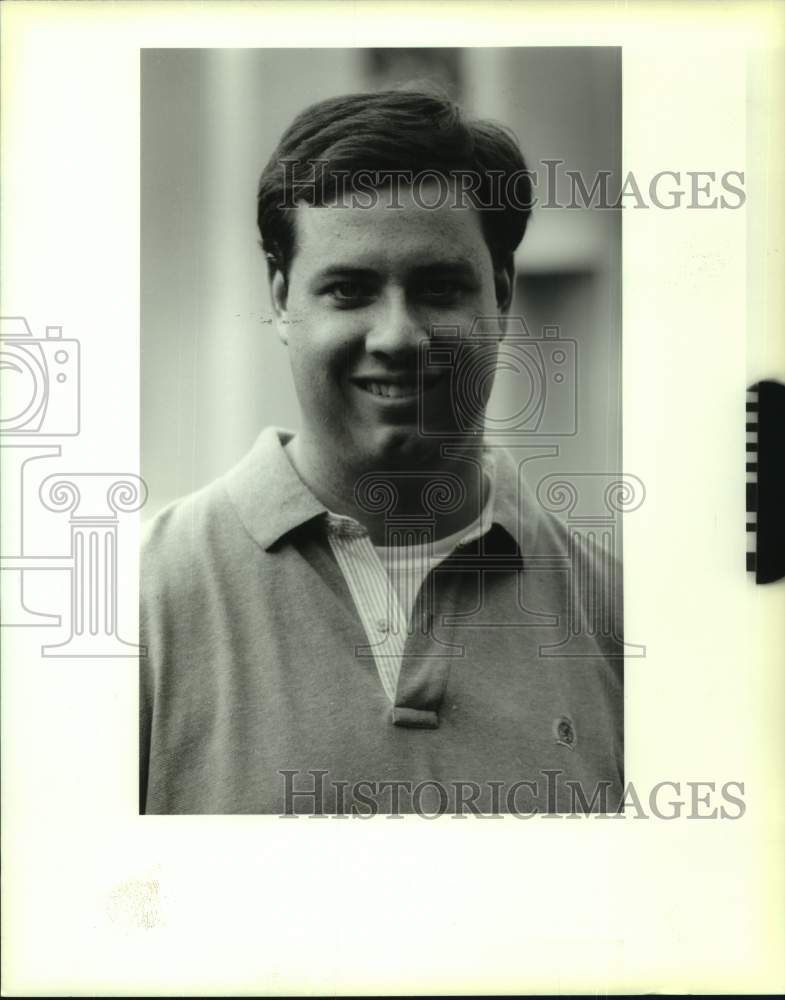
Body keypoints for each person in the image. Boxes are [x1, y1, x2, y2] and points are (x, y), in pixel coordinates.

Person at [139, 89, 623, 816]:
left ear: (500, 292)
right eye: (348, 290)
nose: (397, 336)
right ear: (280, 300)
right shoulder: (136, 609)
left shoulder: (623, 618)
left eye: (437, 287)